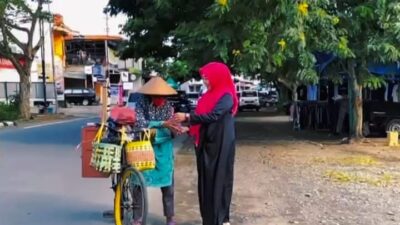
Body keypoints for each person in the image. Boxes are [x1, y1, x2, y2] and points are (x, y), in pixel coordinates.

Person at [174, 62, 238, 225]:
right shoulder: (208, 96)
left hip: (221, 145)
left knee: (220, 180)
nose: (205, 82)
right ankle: (209, 219)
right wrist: (188, 129)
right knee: (206, 182)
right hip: (206, 146)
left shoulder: (226, 95)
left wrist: (188, 117)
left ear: (218, 77)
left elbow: (213, 116)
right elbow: (202, 119)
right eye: (204, 79)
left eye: (207, 78)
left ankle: (221, 218)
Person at [133, 76, 183, 225]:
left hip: (163, 150)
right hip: (143, 148)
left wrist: (167, 128)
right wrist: (162, 123)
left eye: (162, 97)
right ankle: (137, 217)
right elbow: (140, 124)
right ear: (149, 95)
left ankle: (170, 217)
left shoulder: (168, 107)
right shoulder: (141, 103)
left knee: (168, 185)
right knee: (138, 183)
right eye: (156, 96)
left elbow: (172, 130)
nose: (160, 99)